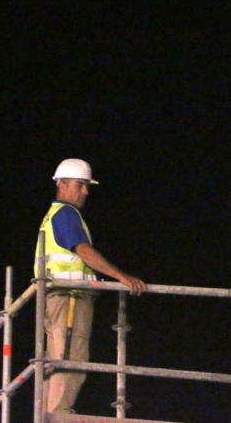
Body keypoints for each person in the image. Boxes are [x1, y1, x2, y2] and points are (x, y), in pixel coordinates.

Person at [33, 158, 146, 414]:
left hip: (60, 298)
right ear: (61, 184)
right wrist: (121, 276)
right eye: (80, 185)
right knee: (70, 358)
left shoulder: (56, 215)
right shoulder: (66, 214)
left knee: (59, 357)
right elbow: (83, 250)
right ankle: (58, 415)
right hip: (69, 299)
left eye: (86, 186)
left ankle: (49, 414)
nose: (85, 191)